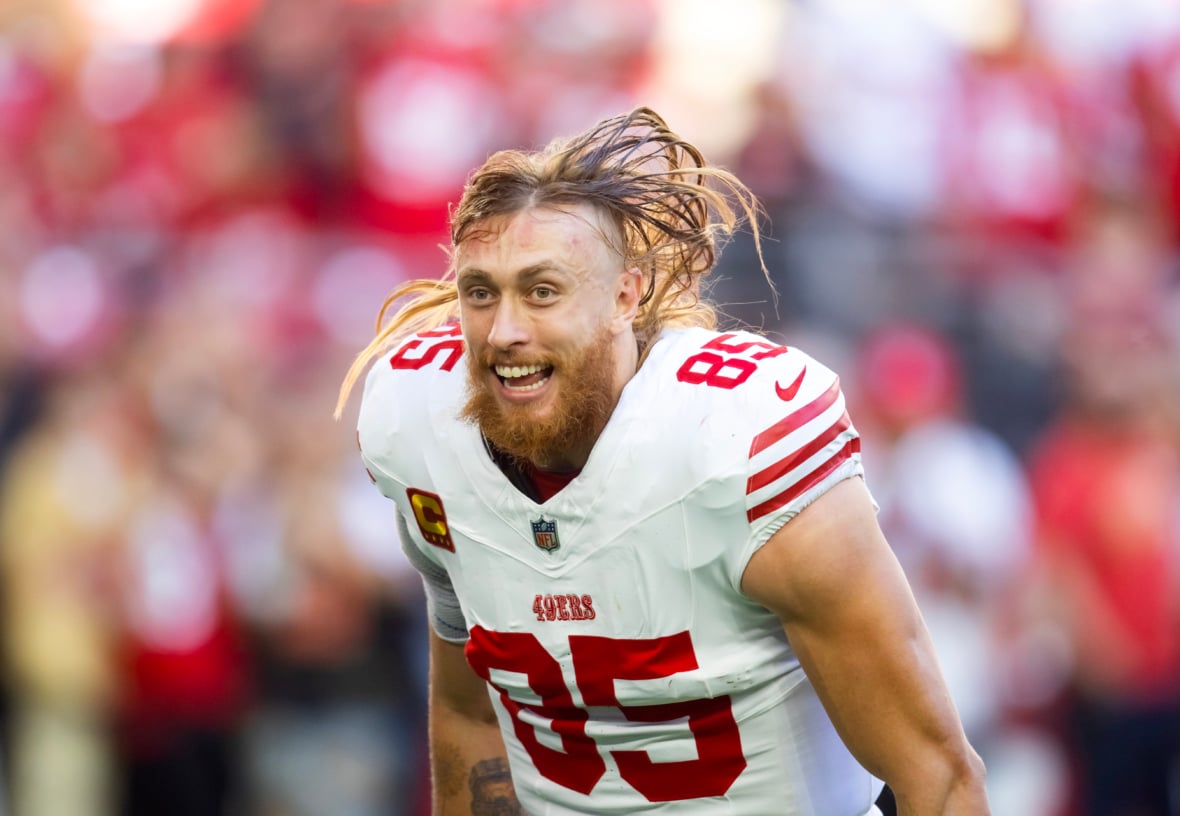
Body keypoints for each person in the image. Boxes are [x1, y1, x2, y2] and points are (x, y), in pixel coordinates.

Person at [336, 107, 989, 815]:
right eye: (481, 293)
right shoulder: (423, 425)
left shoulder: (738, 444)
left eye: (543, 291)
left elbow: (938, 778)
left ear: (626, 294)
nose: (505, 331)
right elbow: (471, 712)